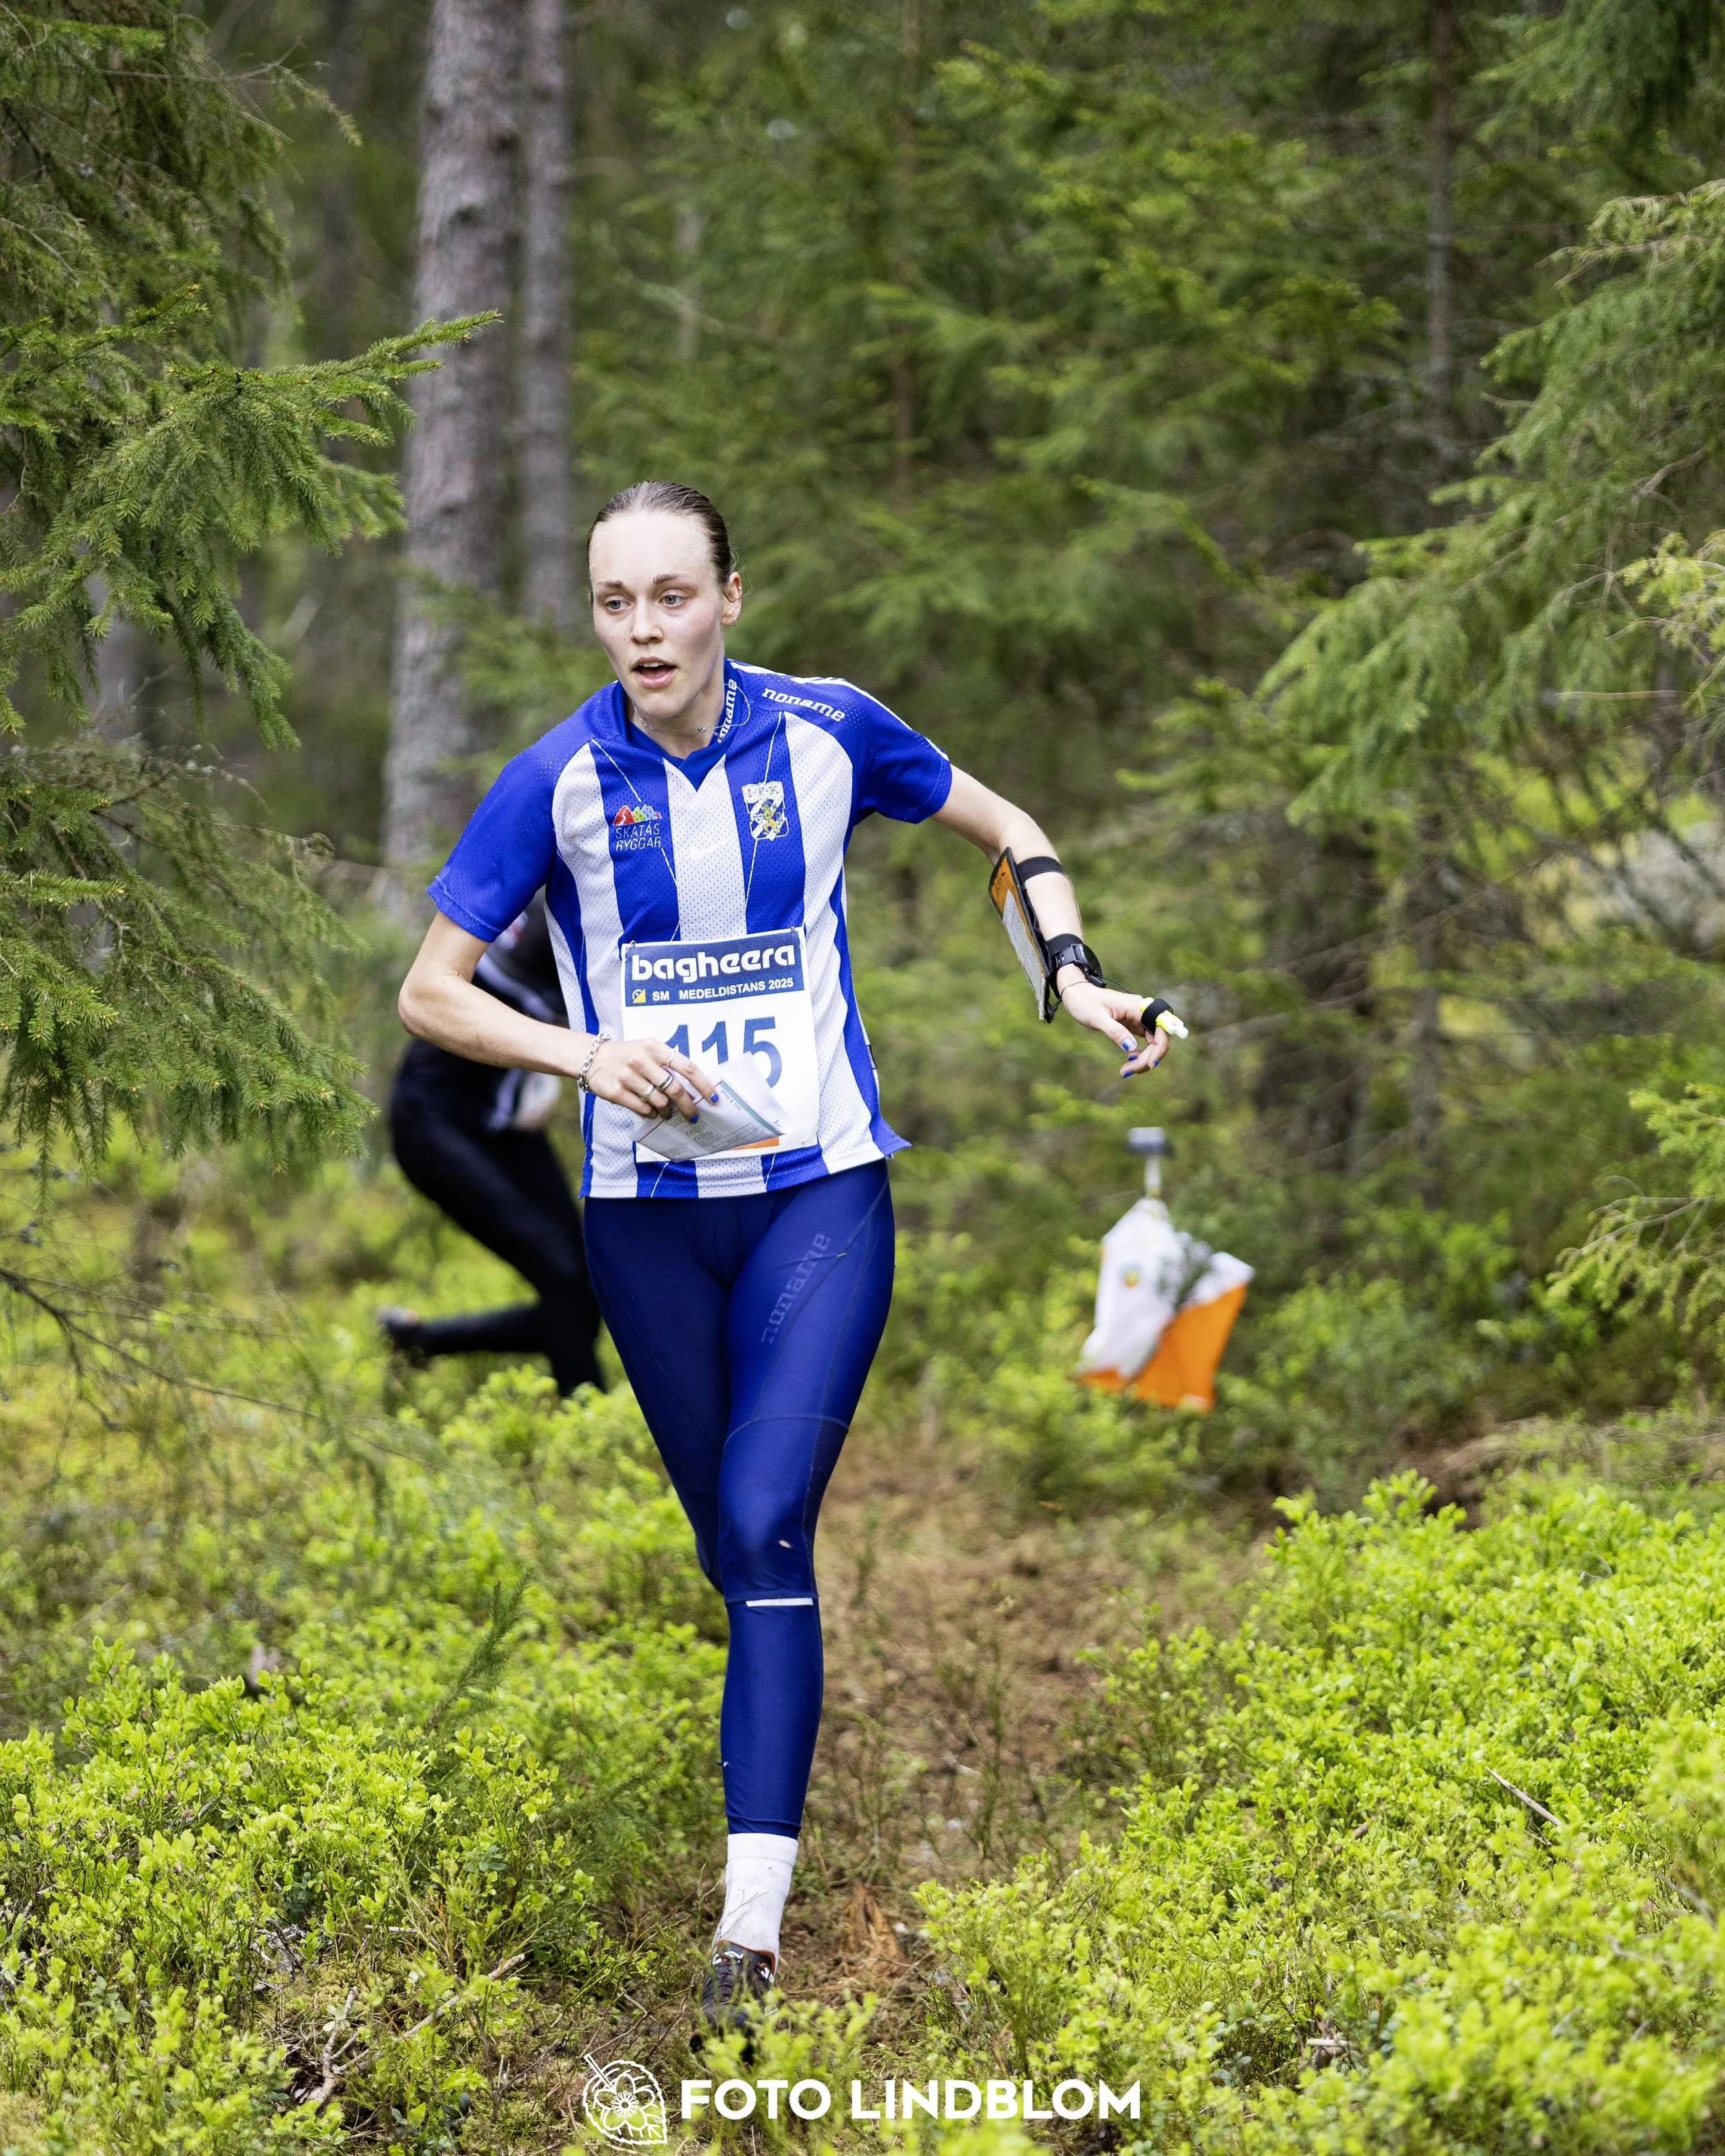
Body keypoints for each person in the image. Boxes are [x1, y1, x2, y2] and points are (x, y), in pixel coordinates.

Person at [396, 479, 1174, 2030]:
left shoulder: (825, 732)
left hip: (819, 1190)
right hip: (641, 1222)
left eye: (670, 596)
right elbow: (432, 991)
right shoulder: (551, 780)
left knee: (760, 1524)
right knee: (733, 1551)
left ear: (729, 597)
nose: (642, 631)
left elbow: (1008, 829)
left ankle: (746, 1927)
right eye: (615, 602)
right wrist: (582, 1049)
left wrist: (1072, 977)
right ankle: (764, 1829)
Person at [381, 893, 604, 1395]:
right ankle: (586, 1424)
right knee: (564, 1276)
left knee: (584, 1286)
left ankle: (418, 1342)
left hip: (501, 1123)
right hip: (434, 1122)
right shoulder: (568, 910)